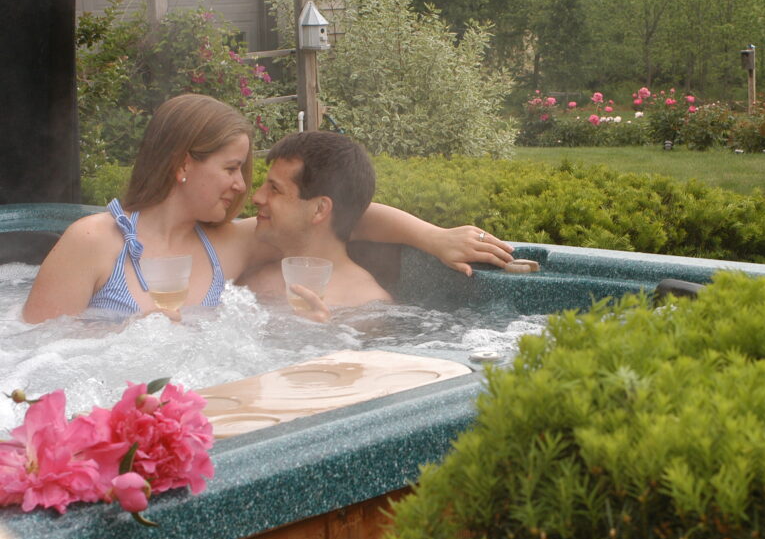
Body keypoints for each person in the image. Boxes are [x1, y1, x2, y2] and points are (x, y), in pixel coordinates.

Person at [22, 94, 512, 323]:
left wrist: (431, 237)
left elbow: (336, 213)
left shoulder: (224, 244)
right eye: (232, 168)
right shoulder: (93, 242)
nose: (244, 187)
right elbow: (33, 361)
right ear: (181, 165)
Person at [237, 131, 390, 308]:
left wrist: (320, 333)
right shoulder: (249, 279)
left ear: (319, 209)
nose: (257, 197)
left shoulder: (366, 305)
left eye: (275, 189)